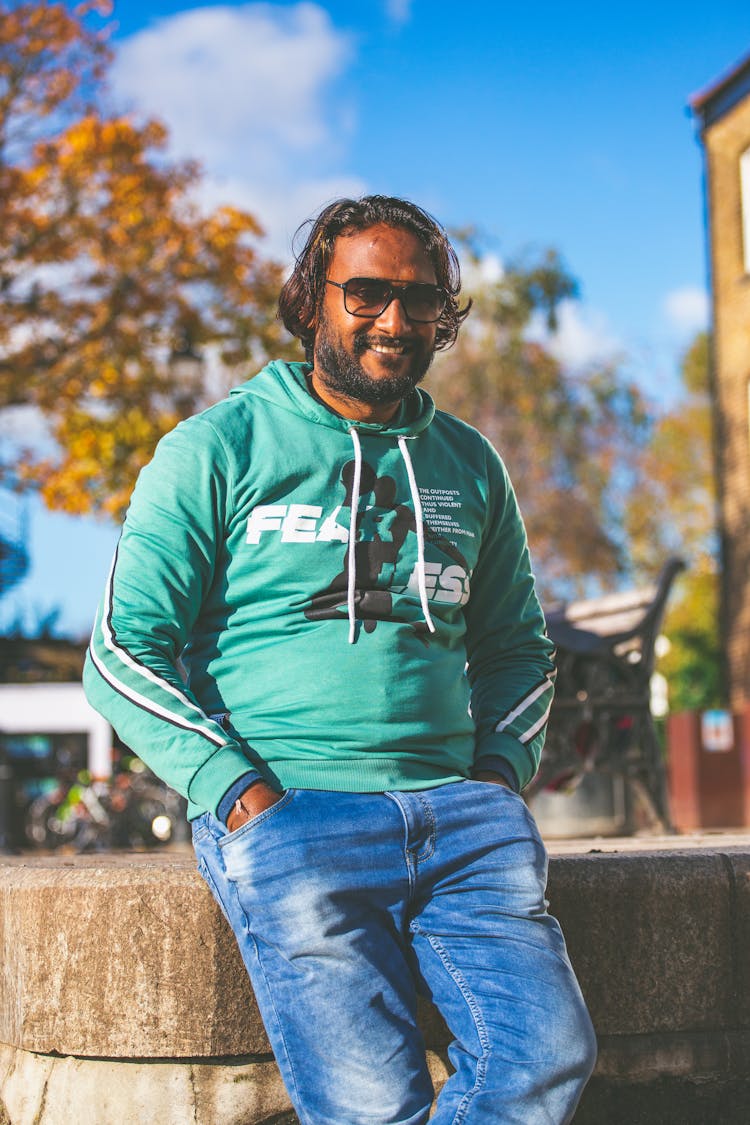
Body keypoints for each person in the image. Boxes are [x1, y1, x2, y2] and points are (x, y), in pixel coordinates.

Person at [84, 195, 597, 1123]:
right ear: (311, 298)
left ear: (445, 313)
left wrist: (496, 776)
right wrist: (243, 796)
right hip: (294, 812)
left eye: (420, 296)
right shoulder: (217, 446)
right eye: (365, 291)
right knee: (369, 1104)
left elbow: (519, 645)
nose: (394, 320)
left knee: (545, 1058)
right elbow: (123, 649)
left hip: (461, 821)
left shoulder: (470, 463)